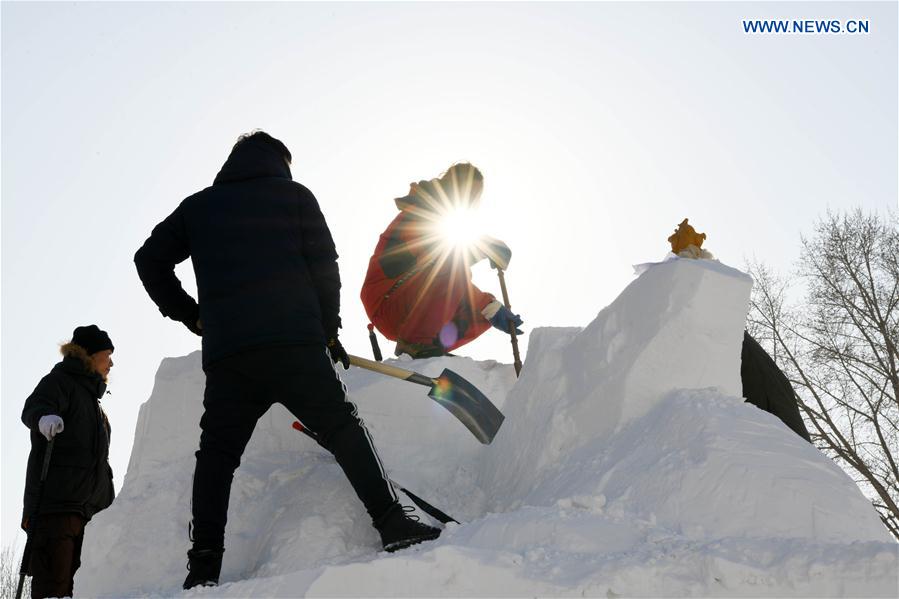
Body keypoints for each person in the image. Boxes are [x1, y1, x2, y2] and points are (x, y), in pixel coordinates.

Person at [134, 131, 439, 590]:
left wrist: (193, 316)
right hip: (294, 343)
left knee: (216, 458)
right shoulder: (294, 196)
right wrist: (328, 328)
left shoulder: (198, 207)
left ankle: (203, 568)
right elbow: (325, 267)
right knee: (341, 426)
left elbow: (148, 259)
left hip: (229, 356)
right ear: (280, 162)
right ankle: (392, 523)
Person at [361, 163, 523, 358]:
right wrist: (482, 246)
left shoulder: (447, 222)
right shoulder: (421, 211)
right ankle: (417, 342)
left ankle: (430, 346)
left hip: (410, 302)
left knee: (482, 313)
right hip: (387, 302)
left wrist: (490, 307)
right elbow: (437, 256)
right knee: (458, 272)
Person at [20, 325, 116, 599]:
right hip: (56, 510)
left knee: (83, 591)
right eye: (106, 355)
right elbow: (34, 406)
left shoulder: (96, 407)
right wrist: (43, 419)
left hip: (90, 514)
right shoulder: (60, 382)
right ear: (88, 356)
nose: (111, 363)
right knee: (54, 589)